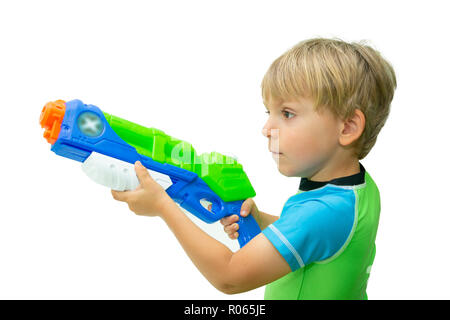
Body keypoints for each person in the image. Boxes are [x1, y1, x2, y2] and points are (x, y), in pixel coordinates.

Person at [111, 37, 397, 299]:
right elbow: (312, 241)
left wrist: (162, 205)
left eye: (287, 113)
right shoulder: (356, 189)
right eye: (269, 112)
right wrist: (260, 220)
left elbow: (230, 277)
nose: (267, 128)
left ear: (347, 127)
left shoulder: (324, 212)